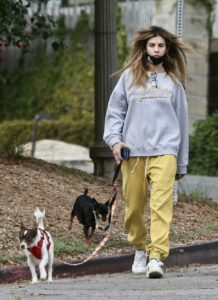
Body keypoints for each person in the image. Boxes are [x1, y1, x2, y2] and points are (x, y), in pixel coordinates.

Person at [103, 26, 192, 278]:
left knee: (161, 205)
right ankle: (140, 247)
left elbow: (182, 124)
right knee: (133, 207)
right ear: (144, 48)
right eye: (152, 45)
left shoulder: (174, 82)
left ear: (166, 49)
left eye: (160, 46)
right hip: (133, 152)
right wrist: (114, 141)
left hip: (166, 151)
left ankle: (156, 256)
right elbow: (114, 113)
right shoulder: (130, 77)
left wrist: (181, 162)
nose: (156, 50)